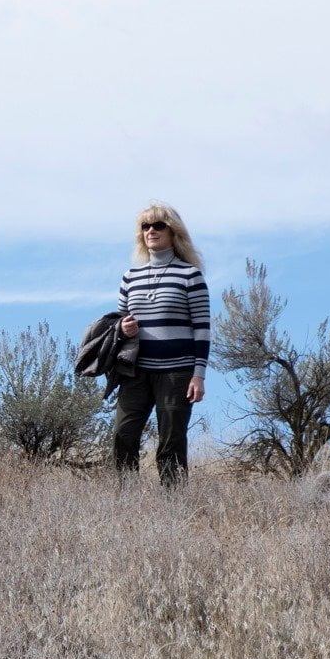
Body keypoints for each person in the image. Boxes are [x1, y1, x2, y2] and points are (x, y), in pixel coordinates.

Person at [114, 203, 209, 485]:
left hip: (177, 372)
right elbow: (117, 323)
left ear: (173, 231)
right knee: (123, 435)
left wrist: (198, 375)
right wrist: (122, 327)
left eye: (158, 225)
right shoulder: (130, 277)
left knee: (171, 441)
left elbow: (202, 330)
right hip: (135, 371)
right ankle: (125, 500)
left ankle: (173, 505)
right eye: (145, 226)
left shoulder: (190, 276)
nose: (151, 231)